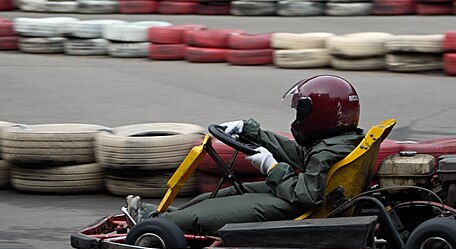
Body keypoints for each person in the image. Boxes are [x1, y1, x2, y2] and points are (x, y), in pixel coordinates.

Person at [126, 74, 365, 235]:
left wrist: (271, 168)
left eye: (300, 112)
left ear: (320, 114)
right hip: (301, 196)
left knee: (210, 213)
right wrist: (252, 131)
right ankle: (160, 216)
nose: (297, 119)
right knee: (222, 195)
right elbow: (300, 155)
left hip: (300, 206)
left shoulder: (326, 151)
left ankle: (154, 228)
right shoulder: (340, 140)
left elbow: (306, 196)